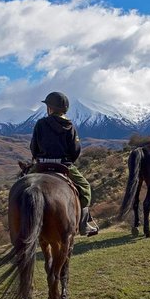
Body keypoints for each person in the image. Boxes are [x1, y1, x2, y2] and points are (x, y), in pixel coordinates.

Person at [30, 91, 99, 236]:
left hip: (41, 164)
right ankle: (83, 224)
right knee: (85, 188)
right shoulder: (70, 126)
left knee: (23, 185)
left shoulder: (40, 123)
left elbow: (33, 147)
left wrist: (38, 158)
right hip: (63, 165)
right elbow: (75, 149)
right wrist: (69, 162)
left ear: (50, 108)